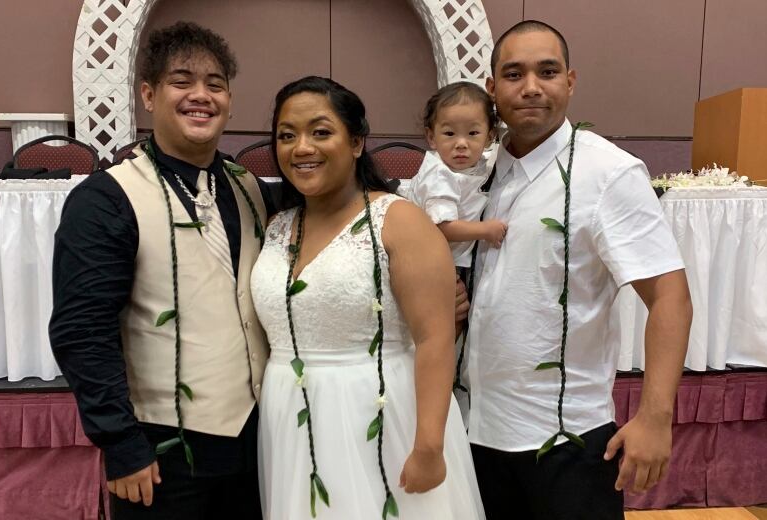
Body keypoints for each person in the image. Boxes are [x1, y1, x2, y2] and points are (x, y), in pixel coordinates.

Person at [466, 20, 693, 519]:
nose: (530, 87)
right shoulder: (477, 174)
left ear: (570, 81)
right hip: (474, 434)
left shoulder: (608, 173)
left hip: (566, 440)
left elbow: (669, 296)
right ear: (491, 88)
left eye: (546, 71)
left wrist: (656, 417)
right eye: (513, 73)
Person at [49, 22, 273, 519]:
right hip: (160, 454)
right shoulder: (105, 199)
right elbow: (82, 330)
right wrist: (121, 443)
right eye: (182, 81)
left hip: (257, 443)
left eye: (215, 84)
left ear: (230, 100)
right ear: (148, 95)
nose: (201, 96)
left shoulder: (252, 190)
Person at [250, 76, 485, 519]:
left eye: (321, 132)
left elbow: (435, 339)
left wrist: (430, 445)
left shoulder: (399, 221)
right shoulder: (278, 224)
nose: (302, 147)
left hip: (379, 416)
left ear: (356, 142)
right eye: (287, 135)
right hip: (289, 418)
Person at [402, 81, 507, 262]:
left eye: (472, 133)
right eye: (450, 134)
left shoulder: (478, 165)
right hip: (426, 260)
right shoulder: (439, 175)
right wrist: (486, 230)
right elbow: (443, 226)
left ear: (489, 137)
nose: (461, 144)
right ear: (431, 137)